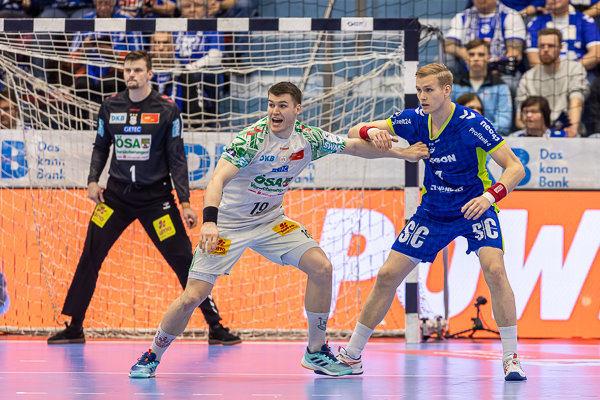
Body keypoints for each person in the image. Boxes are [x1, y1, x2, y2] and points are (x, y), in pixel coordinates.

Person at [127, 81, 430, 379]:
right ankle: (152, 354)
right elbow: (217, 179)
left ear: (297, 109)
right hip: (229, 226)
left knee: (322, 268)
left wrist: (402, 154)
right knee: (193, 295)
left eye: (282, 105)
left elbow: (353, 146)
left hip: (271, 222)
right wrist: (209, 221)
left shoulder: (308, 139)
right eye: (271, 104)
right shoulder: (251, 140)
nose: (274, 111)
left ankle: (315, 351)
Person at [335, 63, 527, 382]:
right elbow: (356, 131)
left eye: (429, 90)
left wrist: (489, 197)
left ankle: (511, 358)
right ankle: (352, 355)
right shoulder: (414, 120)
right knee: (387, 275)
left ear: (446, 90)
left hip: (474, 208)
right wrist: (374, 133)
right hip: (433, 211)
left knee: (495, 270)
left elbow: (515, 167)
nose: (422, 96)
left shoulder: (471, 124)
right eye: (419, 90)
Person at [47, 50, 241, 347]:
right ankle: (74, 327)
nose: (131, 75)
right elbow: (101, 146)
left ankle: (216, 326)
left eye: (137, 70)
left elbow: (177, 157)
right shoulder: (110, 107)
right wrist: (92, 180)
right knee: (90, 255)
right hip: (115, 199)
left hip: (156, 201)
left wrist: (185, 202)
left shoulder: (167, 110)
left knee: (184, 261)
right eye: (127, 70)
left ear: (150, 74)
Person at [516, 28, 589, 137]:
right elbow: (519, 119)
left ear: (560, 47)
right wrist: (538, 132)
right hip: (535, 134)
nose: (545, 50)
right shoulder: (528, 77)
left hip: (565, 130)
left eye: (550, 46)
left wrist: (572, 128)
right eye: (542, 46)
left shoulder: (575, 69)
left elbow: (576, 102)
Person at [445, 0, 526, 78]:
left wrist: (491, 63)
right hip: (467, 69)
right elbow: (448, 45)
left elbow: (515, 53)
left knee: (509, 80)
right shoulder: (462, 16)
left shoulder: (511, 16)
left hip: (500, 71)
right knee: (447, 59)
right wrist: (463, 53)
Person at [451, 38, 513, 134]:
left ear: (488, 58)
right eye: (472, 54)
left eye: (481, 55)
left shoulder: (500, 86)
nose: (476, 58)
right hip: (460, 135)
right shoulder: (454, 85)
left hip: (491, 137)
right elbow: (448, 117)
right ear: (466, 58)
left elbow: (504, 123)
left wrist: (480, 129)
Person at [526, 0, 600, 72]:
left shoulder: (584, 20)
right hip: (547, 73)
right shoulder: (536, 23)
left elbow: (596, 54)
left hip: (580, 70)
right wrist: (552, 72)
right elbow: (533, 59)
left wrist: (569, 71)